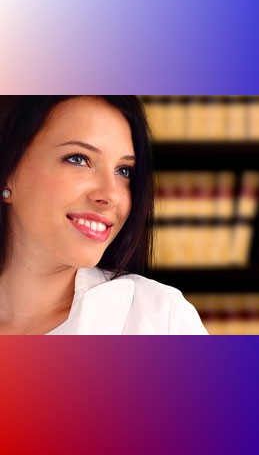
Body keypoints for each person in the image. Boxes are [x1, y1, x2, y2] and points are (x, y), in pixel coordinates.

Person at [0, 96, 208, 334]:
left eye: (124, 171)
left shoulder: (161, 320)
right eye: (79, 159)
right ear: (7, 172)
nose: (111, 195)